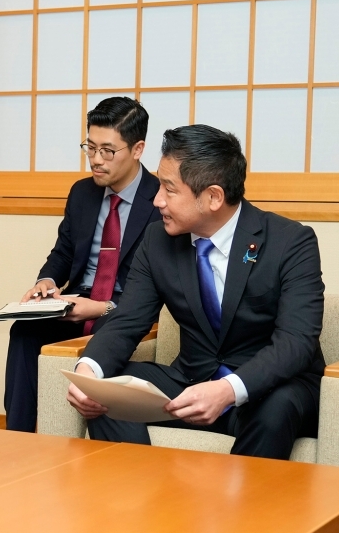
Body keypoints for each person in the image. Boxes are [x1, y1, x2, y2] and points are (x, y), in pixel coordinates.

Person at [67, 125, 324, 459]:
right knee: (108, 389)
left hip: (267, 387)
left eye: (169, 189)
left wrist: (228, 390)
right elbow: (127, 320)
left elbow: (296, 342)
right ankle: (140, 495)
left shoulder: (291, 242)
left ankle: (241, 509)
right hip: (190, 379)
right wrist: (89, 372)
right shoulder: (156, 240)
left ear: (213, 197)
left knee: (278, 406)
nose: (156, 199)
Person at [5, 97, 161, 432]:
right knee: (24, 331)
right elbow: (63, 252)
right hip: (76, 302)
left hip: (124, 310)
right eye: (90, 148)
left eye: (108, 150)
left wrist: (102, 307)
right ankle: (18, 437)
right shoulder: (82, 193)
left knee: (107, 337)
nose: (95, 160)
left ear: (137, 149)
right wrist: (46, 282)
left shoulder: (161, 199)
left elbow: (160, 284)